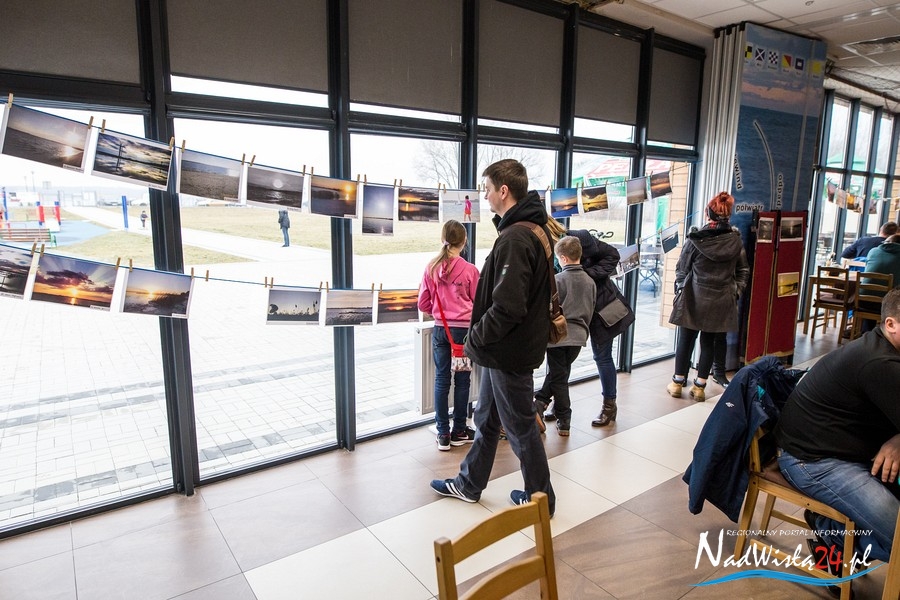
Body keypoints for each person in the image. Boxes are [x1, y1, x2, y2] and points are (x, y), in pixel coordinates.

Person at [430, 158, 556, 515]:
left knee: (520, 428)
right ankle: (469, 484)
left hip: (508, 353)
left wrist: (474, 340)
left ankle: (541, 500)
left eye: (486, 189)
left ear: (503, 190)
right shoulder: (528, 229)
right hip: (505, 350)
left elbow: (507, 307)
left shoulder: (516, 237)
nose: (483, 197)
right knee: (485, 420)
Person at [774, 286, 900, 567]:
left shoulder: (882, 346)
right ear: (890, 324)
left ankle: (836, 533)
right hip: (812, 460)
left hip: (844, 448)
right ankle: (834, 534)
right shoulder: (879, 362)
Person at [667, 191, 749, 402]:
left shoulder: (695, 240)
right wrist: (736, 291)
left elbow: (682, 268)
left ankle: (677, 383)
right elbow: (743, 271)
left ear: (708, 214)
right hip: (722, 300)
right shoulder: (736, 241)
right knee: (709, 343)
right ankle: (699, 387)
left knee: (686, 340)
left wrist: (681, 289)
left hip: (693, 297)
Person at [417, 220, 480, 451]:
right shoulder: (470, 270)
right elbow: (479, 302)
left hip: (440, 329)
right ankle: (460, 430)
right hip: (463, 333)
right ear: (464, 241)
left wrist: (438, 308)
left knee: (441, 379)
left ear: (442, 239)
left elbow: (423, 303)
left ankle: (443, 433)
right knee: (462, 381)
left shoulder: (431, 268)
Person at [533, 236, 595, 436]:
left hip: (558, 337)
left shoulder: (558, 280)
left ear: (564, 258)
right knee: (559, 374)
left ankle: (564, 418)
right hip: (579, 337)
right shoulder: (590, 281)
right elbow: (591, 309)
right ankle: (540, 403)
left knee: (558, 377)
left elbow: (548, 308)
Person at [857, 233, 900, 333]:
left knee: (873, 296)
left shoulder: (873, 251)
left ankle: (866, 334)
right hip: (885, 305)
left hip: (863, 301)